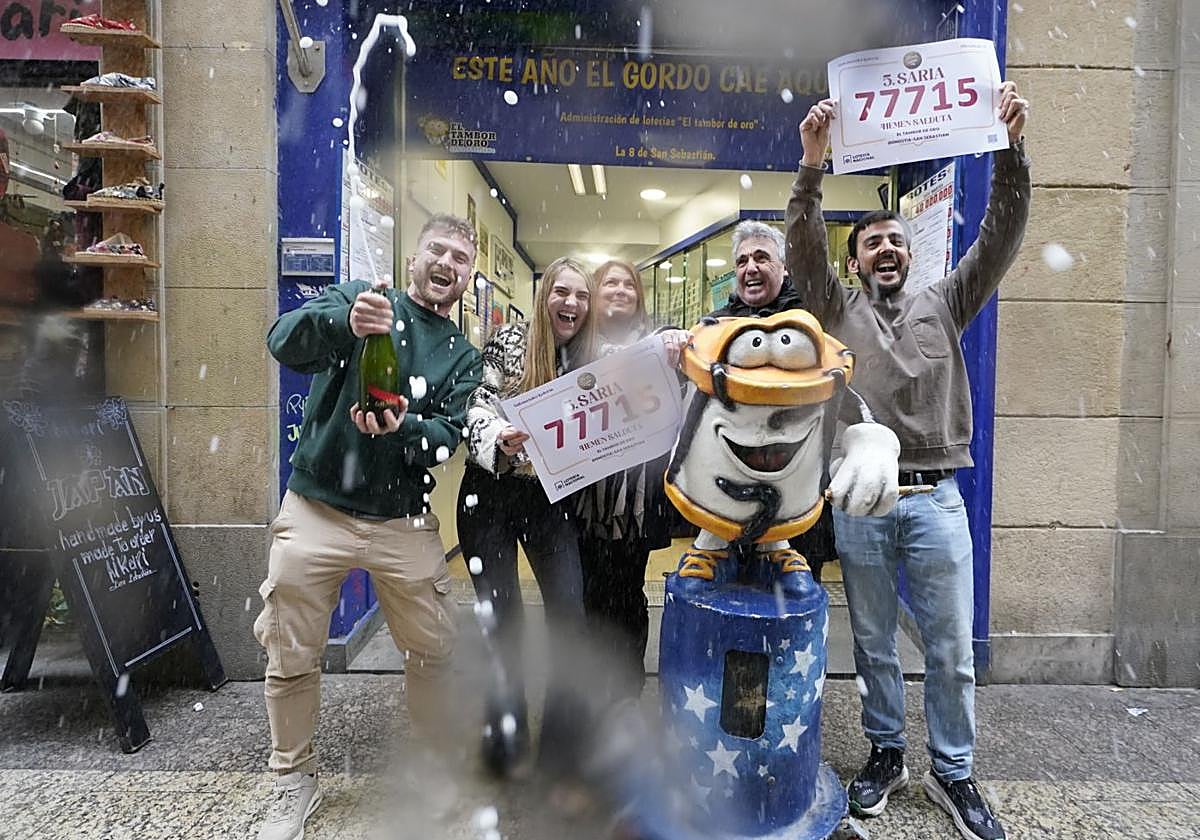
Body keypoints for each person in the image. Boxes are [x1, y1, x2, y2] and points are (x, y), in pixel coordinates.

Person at [786, 81, 1030, 840]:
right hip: (864, 501)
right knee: (873, 643)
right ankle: (887, 753)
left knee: (951, 650)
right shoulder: (835, 309)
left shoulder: (947, 301)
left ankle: (953, 771)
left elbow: (1000, 235)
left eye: (895, 240)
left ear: (910, 251)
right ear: (855, 261)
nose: (886, 249)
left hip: (937, 500)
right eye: (872, 243)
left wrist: (1012, 151)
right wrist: (812, 165)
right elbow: (801, 248)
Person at [254, 213, 482, 840]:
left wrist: (405, 428)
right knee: (291, 650)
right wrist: (345, 324)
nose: (447, 264)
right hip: (316, 509)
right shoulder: (361, 300)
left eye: (460, 258)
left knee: (435, 650)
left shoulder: (462, 356)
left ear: (467, 276)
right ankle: (291, 779)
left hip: (403, 520)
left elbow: (446, 438)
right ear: (414, 258)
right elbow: (282, 341)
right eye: (438, 250)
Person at [457, 256, 599, 779]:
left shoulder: (594, 355)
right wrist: (497, 436)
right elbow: (477, 401)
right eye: (562, 292)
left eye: (581, 295)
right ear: (545, 297)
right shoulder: (511, 340)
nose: (571, 303)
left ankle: (560, 745)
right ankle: (506, 736)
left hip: (548, 501)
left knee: (569, 614)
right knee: (503, 620)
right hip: (490, 493)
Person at [574, 259, 690, 701]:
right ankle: (589, 688)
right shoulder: (575, 346)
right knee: (587, 595)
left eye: (628, 284)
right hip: (585, 500)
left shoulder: (660, 344)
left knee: (628, 592)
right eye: (610, 282)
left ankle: (626, 690)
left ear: (639, 297)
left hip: (637, 502)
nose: (620, 290)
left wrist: (673, 341)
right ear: (595, 292)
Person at [708, 219, 838, 581]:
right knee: (728, 594)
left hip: (798, 488)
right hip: (729, 494)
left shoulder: (812, 324)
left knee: (795, 593)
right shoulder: (715, 329)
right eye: (742, 261)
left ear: (784, 267)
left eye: (761, 258)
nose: (750, 268)